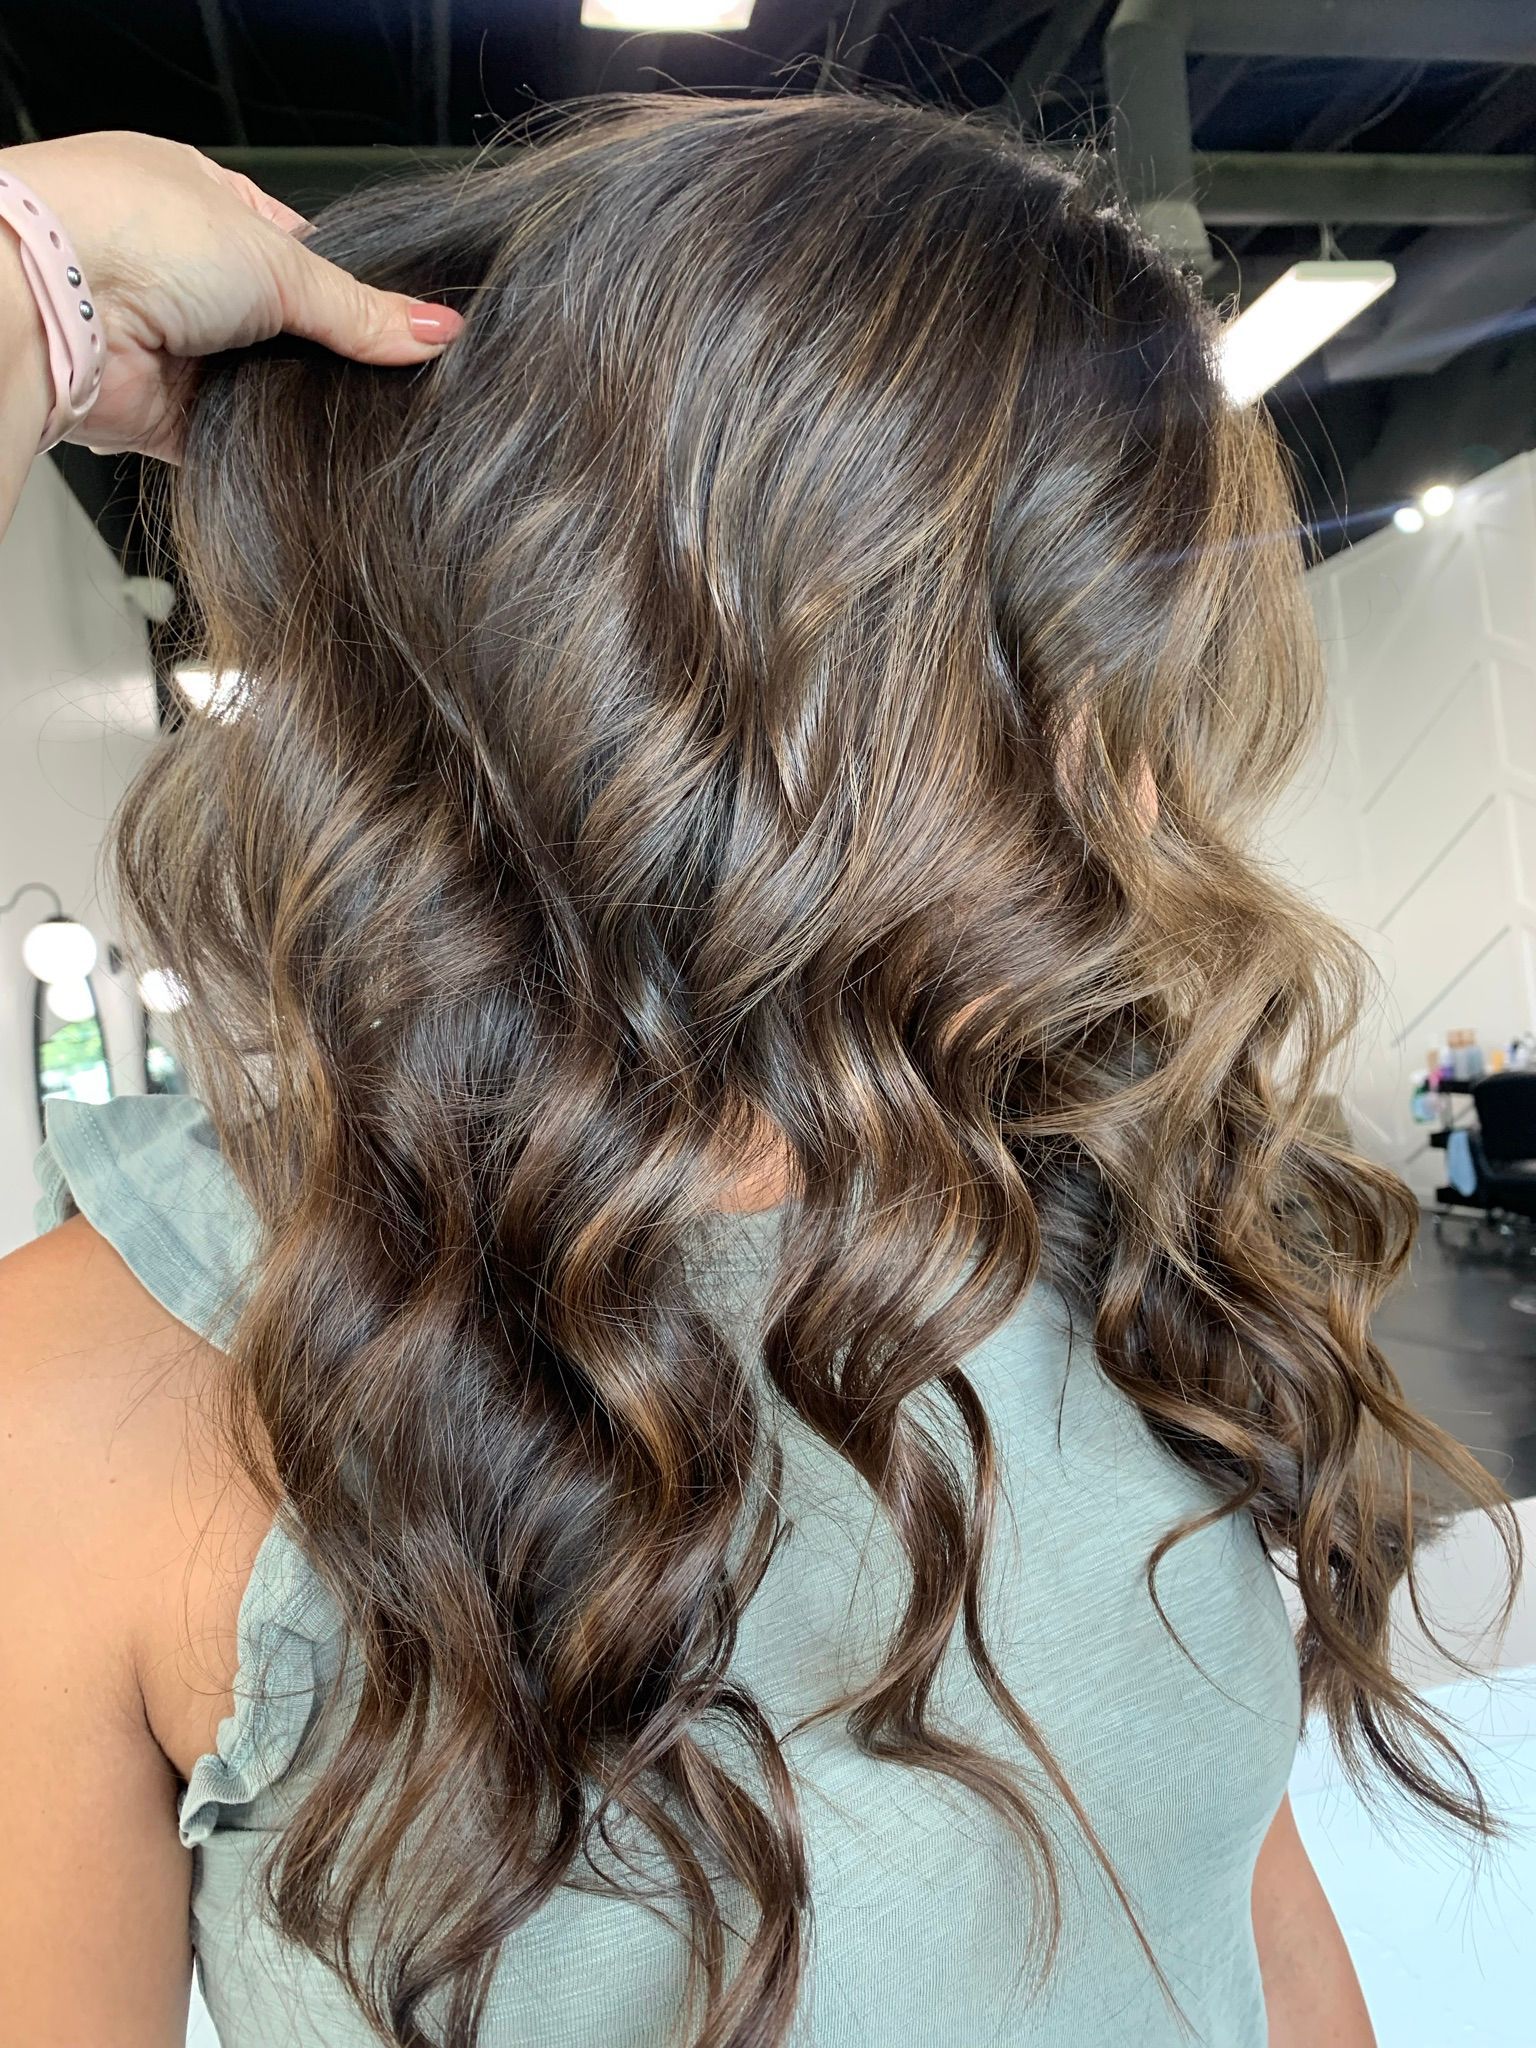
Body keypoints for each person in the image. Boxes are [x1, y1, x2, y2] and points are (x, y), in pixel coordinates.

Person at [0, 96, 1520, 2048]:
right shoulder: (101, 1399)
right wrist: (39, 273)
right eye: (1067, 692)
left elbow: (1222, 1897)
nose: (1153, 801)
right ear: (698, 709)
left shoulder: (1085, 1194)